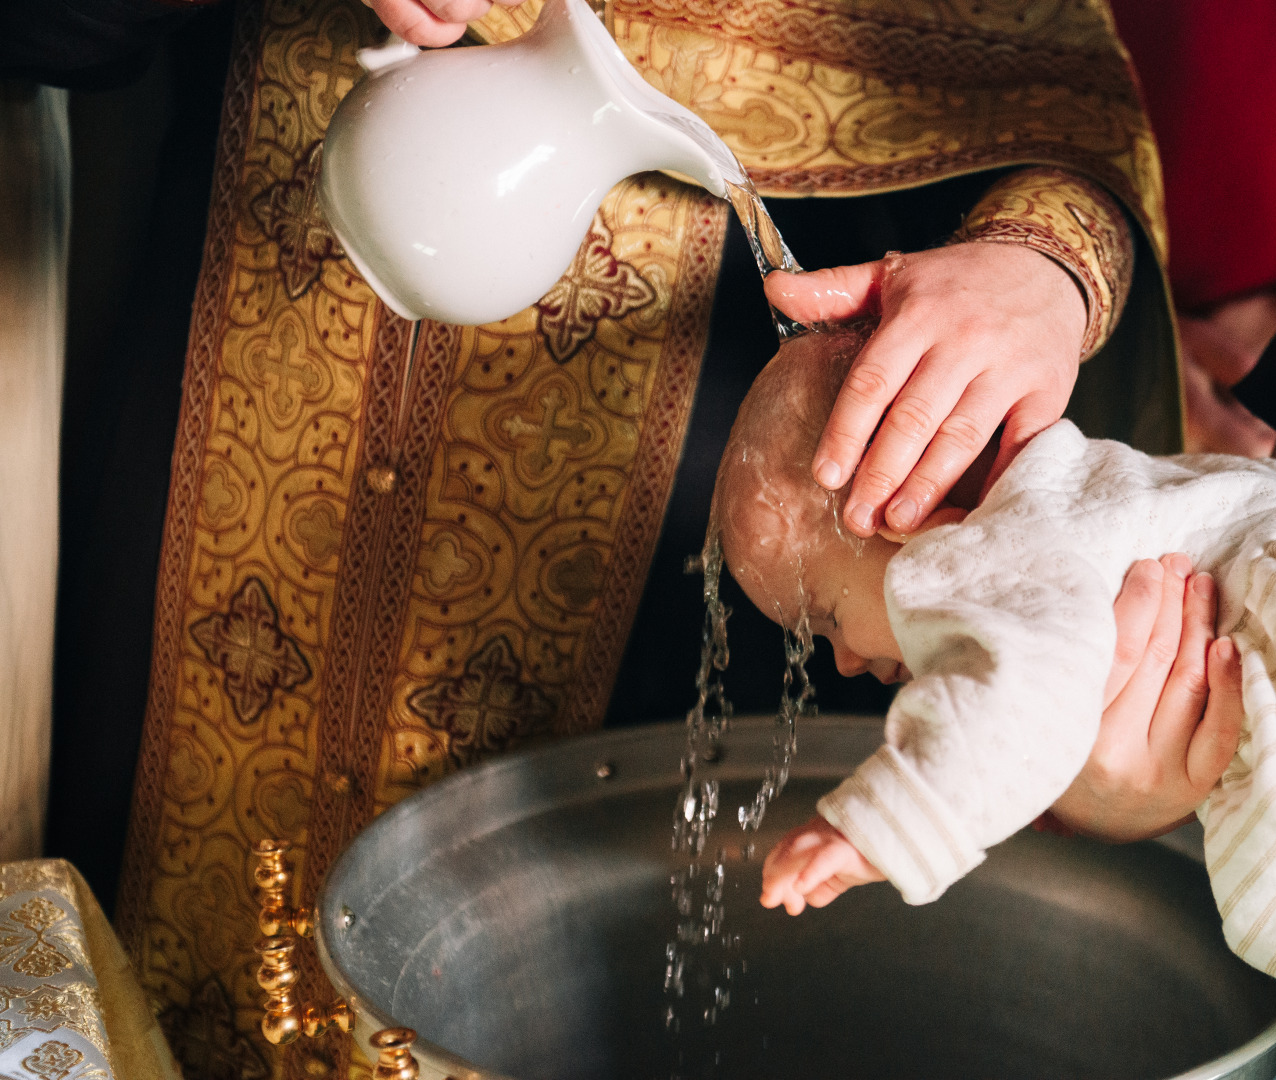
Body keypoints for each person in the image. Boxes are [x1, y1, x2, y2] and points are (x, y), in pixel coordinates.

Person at [3, 0, 1189, 1072]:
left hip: (692, 550)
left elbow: (1060, 100)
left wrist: (1041, 270)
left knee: (554, 990)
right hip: (211, 449)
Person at [713, 326, 1276, 1080]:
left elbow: (1017, 689)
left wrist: (878, 827)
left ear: (913, 504)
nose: (837, 656)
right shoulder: (1121, 491)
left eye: (824, 610)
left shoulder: (986, 548)